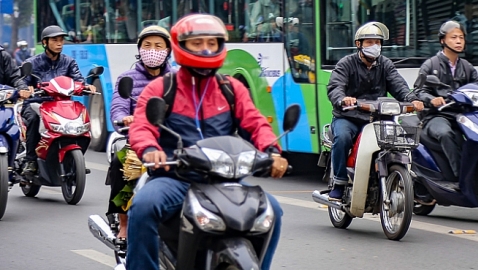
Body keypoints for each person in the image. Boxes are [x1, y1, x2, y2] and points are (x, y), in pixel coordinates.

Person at [126, 14, 289, 270]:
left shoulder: (231, 88)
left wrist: (272, 151)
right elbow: (141, 126)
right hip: (176, 178)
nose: (205, 48)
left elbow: (255, 124)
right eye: (197, 42)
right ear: (182, 45)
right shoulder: (161, 88)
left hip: (225, 179)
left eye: (212, 43)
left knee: (273, 211)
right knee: (144, 205)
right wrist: (150, 150)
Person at [325, 21, 423, 200]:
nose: (374, 46)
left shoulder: (385, 64)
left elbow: (398, 85)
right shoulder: (346, 64)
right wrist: (342, 99)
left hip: (378, 118)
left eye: (377, 42)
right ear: (359, 44)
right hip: (350, 117)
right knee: (343, 138)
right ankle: (339, 181)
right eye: (369, 42)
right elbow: (335, 87)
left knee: (399, 142)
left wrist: (412, 100)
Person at [414, 21, 478, 180]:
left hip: (463, 115)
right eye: (454, 37)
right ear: (443, 40)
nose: (458, 41)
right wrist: (432, 99)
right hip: (437, 116)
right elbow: (418, 91)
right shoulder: (431, 65)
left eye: (461, 38)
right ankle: (460, 177)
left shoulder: (466, 66)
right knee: (445, 134)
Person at [105, 26, 174, 245]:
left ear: (168, 50)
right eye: (147, 45)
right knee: (122, 164)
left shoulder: (177, 79)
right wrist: (124, 118)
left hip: (173, 143)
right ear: (139, 49)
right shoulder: (127, 79)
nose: (152, 50)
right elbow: (118, 107)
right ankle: (124, 223)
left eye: (158, 46)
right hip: (139, 143)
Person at [15, 25, 93, 174]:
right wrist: (26, 88)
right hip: (36, 103)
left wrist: (86, 86)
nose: (59, 43)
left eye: (61, 40)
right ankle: (30, 160)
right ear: (45, 42)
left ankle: (75, 159)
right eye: (55, 40)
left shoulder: (69, 62)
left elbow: (78, 79)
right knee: (33, 120)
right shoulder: (32, 62)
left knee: (80, 119)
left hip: (60, 104)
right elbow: (21, 80)